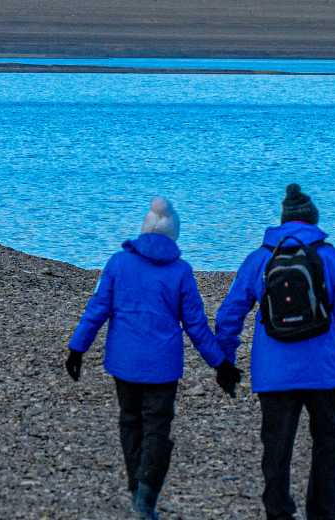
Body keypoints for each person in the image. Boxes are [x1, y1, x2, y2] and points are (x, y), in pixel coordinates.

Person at [65, 196, 233, 520]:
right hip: (162, 366)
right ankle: (146, 497)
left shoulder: (118, 263)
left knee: (130, 422)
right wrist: (220, 363)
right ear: (174, 234)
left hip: (124, 362)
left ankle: (137, 491)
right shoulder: (181, 272)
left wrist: (78, 348)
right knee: (157, 428)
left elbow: (97, 310)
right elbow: (195, 325)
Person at [214, 184, 335, 520]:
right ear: (313, 221)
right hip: (324, 371)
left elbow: (229, 316)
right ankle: (323, 513)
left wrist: (224, 362)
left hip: (274, 374)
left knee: (276, 449)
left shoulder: (260, 259)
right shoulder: (331, 258)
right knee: (327, 444)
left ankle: (278, 512)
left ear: (282, 222)